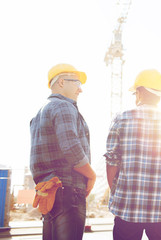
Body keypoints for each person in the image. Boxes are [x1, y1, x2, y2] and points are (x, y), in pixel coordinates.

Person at [104, 69, 161, 240]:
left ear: (140, 91)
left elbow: (112, 162)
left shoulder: (121, 119)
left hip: (127, 207)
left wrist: (115, 192)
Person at [30, 63, 96, 240]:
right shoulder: (64, 107)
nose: (80, 90)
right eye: (77, 83)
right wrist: (91, 175)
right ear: (61, 83)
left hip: (49, 191)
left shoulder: (39, 114)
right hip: (68, 192)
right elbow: (71, 149)